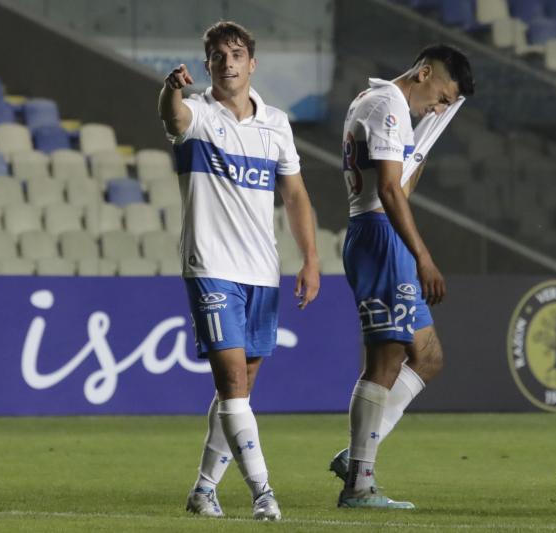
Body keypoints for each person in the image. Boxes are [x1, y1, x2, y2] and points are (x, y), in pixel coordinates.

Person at [157, 20, 320, 521]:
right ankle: (262, 492)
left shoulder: (276, 124)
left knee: (240, 387)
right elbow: (173, 117)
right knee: (232, 382)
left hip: (262, 271)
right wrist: (170, 88)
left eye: (236, 54)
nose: (227, 63)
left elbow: (295, 194)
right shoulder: (198, 114)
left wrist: (311, 259)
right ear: (207, 65)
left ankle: (203, 490)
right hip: (211, 266)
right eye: (218, 56)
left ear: (252, 63)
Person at [328, 44, 474, 509]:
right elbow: (391, 191)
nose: (440, 108)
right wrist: (423, 256)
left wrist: (420, 150)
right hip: (379, 235)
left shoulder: (381, 104)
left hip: (381, 233)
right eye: (443, 97)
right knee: (386, 359)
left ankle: (357, 453)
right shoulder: (388, 106)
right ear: (424, 73)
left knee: (426, 357)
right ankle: (359, 483)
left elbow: (402, 184)